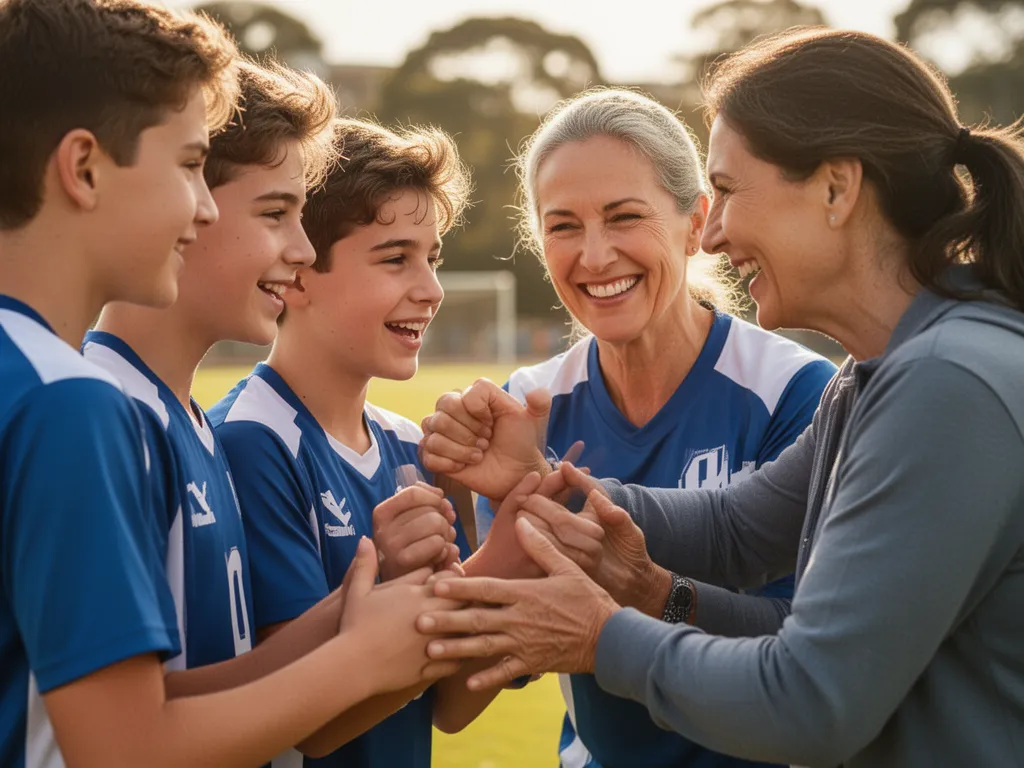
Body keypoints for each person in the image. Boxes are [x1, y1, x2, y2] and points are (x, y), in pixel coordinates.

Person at [414, 27, 1024, 768]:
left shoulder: (948, 382)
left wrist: (602, 637)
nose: (716, 234)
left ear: (837, 188)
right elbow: (738, 529)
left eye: (729, 191)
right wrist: (536, 484)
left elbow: (808, 701)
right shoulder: (882, 374)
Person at [0, 2, 456, 766]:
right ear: (82, 168)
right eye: (187, 167)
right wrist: (359, 659)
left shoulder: (77, 389)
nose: (202, 204)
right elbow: (125, 749)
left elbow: (154, 698)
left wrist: (362, 610)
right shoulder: (68, 401)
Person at [420, 88, 836, 768]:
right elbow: (472, 686)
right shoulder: (527, 406)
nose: (594, 256)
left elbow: (810, 648)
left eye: (624, 217)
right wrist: (458, 525)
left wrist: (642, 591)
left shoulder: (794, 392)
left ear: (696, 221)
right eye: (562, 226)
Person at [209, 117, 524, 768]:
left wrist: (527, 525)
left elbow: (449, 705)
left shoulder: (410, 447)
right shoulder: (253, 442)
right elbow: (308, 725)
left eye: (432, 260)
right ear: (298, 273)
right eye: (395, 258)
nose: (431, 290)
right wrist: (409, 584)